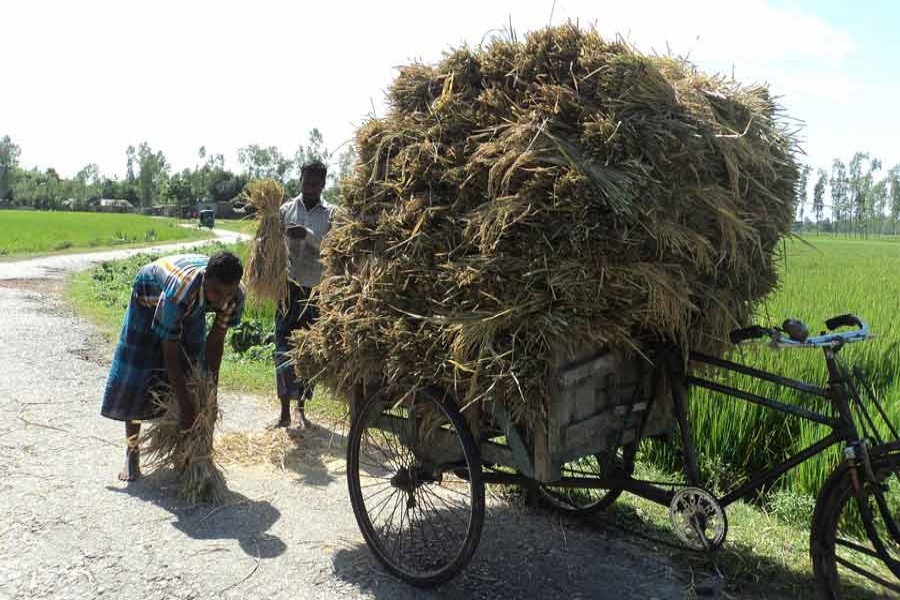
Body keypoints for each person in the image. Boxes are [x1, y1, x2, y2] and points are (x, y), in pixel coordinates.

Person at [101, 251, 245, 481]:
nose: (220, 300)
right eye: (216, 292)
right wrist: (185, 407)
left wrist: (211, 394)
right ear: (205, 277)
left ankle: (186, 454)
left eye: (227, 293)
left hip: (190, 305)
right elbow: (170, 353)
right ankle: (132, 450)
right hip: (148, 297)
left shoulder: (233, 296)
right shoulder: (180, 291)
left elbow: (215, 342)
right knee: (139, 372)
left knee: (193, 371)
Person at [274, 160, 334, 429]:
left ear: (323, 183)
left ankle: (301, 408)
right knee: (282, 347)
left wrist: (309, 237)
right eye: (306, 180)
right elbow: (271, 245)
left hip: (315, 290)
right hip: (288, 288)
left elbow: (333, 253)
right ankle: (284, 409)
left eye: (315, 182)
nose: (310, 186)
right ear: (300, 179)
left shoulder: (331, 215)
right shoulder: (286, 210)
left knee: (308, 350)